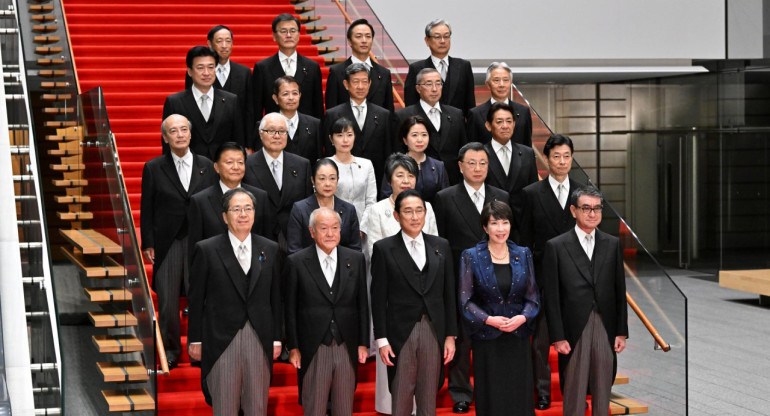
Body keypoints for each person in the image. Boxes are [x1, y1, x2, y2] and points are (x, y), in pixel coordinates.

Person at [187, 188, 283, 414]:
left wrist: (277, 338)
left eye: (248, 208)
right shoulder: (207, 249)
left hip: (259, 336)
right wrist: (195, 340)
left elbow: (276, 298)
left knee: (257, 405)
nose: (243, 214)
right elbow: (196, 298)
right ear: (224, 216)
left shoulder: (270, 248)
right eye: (236, 209)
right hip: (221, 339)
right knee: (225, 406)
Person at [432, 141, 508, 414]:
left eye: (483, 163)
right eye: (472, 163)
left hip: (496, 278)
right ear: (460, 166)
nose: (478, 168)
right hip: (459, 278)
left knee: (493, 338)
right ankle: (461, 393)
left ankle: (494, 389)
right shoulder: (444, 197)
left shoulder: (501, 196)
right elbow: (440, 242)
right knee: (462, 339)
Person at [360, 153, 438, 415]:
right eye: (400, 175)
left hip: (424, 288)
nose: (406, 180)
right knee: (394, 362)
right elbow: (374, 250)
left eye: (411, 175)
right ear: (390, 179)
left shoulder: (428, 206)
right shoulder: (376, 210)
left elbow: (434, 246)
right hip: (391, 290)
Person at [542, 187, 629, 416]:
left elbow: (620, 290)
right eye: (586, 208)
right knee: (574, 388)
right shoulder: (556, 246)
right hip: (573, 328)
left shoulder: (612, 244)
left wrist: (621, 331)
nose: (592, 213)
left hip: (605, 324)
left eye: (597, 208)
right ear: (573, 211)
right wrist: (557, 336)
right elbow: (551, 297)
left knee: (603, 388)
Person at [140, 114, 218, 369]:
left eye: (185, 129)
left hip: (201, 241)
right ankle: (170, 352)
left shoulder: (207, 165)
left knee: (202, 298)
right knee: (169, 300)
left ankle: (200, 350)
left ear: (191, 134)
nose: (180, 134)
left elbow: (213, 205)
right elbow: (147, 208)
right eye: (174, 131)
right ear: (165, 137)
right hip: (168, 242)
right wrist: (148, 242)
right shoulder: (153, 167)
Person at [370, 189, 457, 416]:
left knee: (429, 396)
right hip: (400, 332)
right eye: (408, 211)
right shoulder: (384, 248)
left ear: (426, 213)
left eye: (419, 210)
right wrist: (381, 340)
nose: (414, 216)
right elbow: (378, 298)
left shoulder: (442, 246)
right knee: (401, 394)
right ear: (397, 216)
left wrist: (450, 335)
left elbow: (449, 294)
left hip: (433, 329)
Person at [284, 207, 370, 416]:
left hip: (346, 344)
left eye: (335, 228)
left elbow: (362, 304)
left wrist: (363, 343)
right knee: (315, 407)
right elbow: (290, 308)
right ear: (311, 232)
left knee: (344, 407)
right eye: (323, 228)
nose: (330, 234)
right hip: (313, 346)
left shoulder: (355, 259)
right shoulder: (296, 262)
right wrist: (293, 347)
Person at [458, 200, 539, 416]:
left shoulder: (523, 253)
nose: (501, 229)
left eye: (505, 222)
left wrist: (523, 317)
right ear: (485, 227)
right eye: (495, 223)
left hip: (518, 336)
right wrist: (488, 319)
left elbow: (533, 298)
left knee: (519, 396)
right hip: (487, 337)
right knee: (492, 397)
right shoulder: (471, 256)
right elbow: (465, 300)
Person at [518, 134, 580, 410]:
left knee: (574, 336)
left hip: (576, 277)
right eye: (557, 156)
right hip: (542, 275)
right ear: (546, 158)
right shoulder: (531, 193)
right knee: (541, 341)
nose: (562, 161)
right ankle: (542, 392)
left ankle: (572, 388)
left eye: (567, 156)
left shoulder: (582, 192)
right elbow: (524, 240)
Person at [188, 142, 275, 256]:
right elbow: (195, 248)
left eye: (240, 162)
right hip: (215, 268)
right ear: (217, 167)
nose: (236, 167)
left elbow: (267, 239)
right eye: (229, 162)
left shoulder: (260, 197)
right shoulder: (200, 201)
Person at [243, 113, 313, 251]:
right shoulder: (246, 165)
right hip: (259, 234)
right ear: (261, 133)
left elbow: (307, 204)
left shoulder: (302, 164)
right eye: (271, 131)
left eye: (282, 131)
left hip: (294, 236)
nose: (277, 136)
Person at [163, 46, 244, 160]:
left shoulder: (231, 100)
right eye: (200, 68)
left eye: (211, 67)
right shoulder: (175, 102)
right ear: (190, 71)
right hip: (189, 170)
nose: (207, 73)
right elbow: (168, 143)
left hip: (222, 170)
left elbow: (238, 140)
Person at [324, 63, 393, 189]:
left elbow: (388, 151)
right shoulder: (333, 114)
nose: (360, 86)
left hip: (375, 178)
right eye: (355, 82)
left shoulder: (383, 115)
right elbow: (329, 151)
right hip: (341, 179)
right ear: (346, 84)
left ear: (370, 83)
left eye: (364, 82)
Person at [185, 25, 254, 145]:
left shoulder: (244, 72)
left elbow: (249, 111)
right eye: (219, 41)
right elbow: (190, 104)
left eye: (228, 41)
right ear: (210, 44)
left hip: (233, 138)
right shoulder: (197, 72)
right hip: (202, 139)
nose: (224, 45)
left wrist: (247, 144)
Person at [397, 68, 466, 185]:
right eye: (428, 84)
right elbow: (398, 152)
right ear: (418, 88)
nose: (434, 89)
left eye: (438, 83)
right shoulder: (403, 116)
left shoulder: (456, 114)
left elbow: (463, 150)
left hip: (452, 182)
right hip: (417, 181)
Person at [253, 13, 324, 121]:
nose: (289, 35)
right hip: (273, 132)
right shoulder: (262, 68)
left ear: (299, 34)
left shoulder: (312, 67)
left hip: (306, 132)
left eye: (293, 30)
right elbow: (256, 109)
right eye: (283, 31)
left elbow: (317, 108)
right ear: (274, 36)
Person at [482, 102, 537, 238]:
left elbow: (533, 192)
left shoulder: (527, 153)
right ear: (488, 125)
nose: (505, 126)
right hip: (490, 227)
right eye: (499, 121)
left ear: (514, 124)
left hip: (522, 228)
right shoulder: (480, 154)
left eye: (509, 121)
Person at [287, 159, 362, 254]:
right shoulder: (300, 209)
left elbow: (355, 250)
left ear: (337, 180)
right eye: (322, 178)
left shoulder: (349, 210)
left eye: (332, 178)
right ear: (313, 180)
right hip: (308, 266)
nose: (327, 184)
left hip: (342, 266)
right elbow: (294, 251)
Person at [403, 19, 475, 116]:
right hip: (427, 127)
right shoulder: (416, 69)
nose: (442, 41)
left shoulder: (463, 66)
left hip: (457, 127)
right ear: (427, 40)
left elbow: (470, 105)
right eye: (437, 37)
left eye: (446, 36)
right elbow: (411, 106)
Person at [325, 18, 394, 112]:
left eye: (368, 36)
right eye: (358, 36)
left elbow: (389, 111)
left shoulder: (384, 73)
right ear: (349, 41)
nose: (364, 40)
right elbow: (331, 111)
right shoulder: (337, 72)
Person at [381, 116, 449, 204]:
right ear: (405, 140)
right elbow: (386, 196)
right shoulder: (394, 164)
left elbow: (445, 198)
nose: (420, 140)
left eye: (424, 135)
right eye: (414, 135)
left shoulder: (438, 166)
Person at [466, 62, 532, 147]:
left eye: (505, 80)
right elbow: (471, 149)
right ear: (488, 84)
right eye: (496, 80)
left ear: (511, 83)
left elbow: (527, 147)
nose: (501, 85)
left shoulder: (523, 112)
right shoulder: (475, 114)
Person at [327, 117, 377, 223]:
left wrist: (363, 228)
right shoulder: (325, 165)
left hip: (362, 224)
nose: (345, 140)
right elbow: (322, 200)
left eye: (349, 135)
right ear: (331, 138)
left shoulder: (366, 164)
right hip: (332, 224)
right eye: (340, 135)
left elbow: (371, 201)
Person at [272, 75, 323, 163]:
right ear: (276, 98)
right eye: (285, 94)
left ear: (300, 96)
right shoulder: (266, 125)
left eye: (295, 93)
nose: (291, 98)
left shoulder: (314, 124)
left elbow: (319, 159)